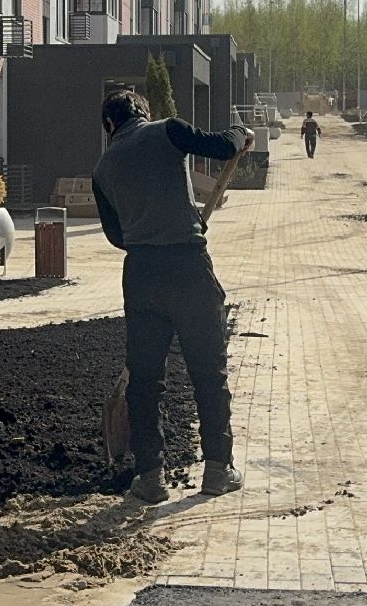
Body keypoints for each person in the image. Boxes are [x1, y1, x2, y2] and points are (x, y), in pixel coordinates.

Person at [91, 90, 254, 504]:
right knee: (208, 371)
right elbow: (221, 146)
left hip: (142, 275)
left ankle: (149, 477)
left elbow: (115, 237)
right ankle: (218, 469)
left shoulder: (102, 168)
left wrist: (148, 230)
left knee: (145, 382)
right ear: (144, 113)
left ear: (109, 125)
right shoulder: (169, 131)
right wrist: (242, 132)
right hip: (188, 266)